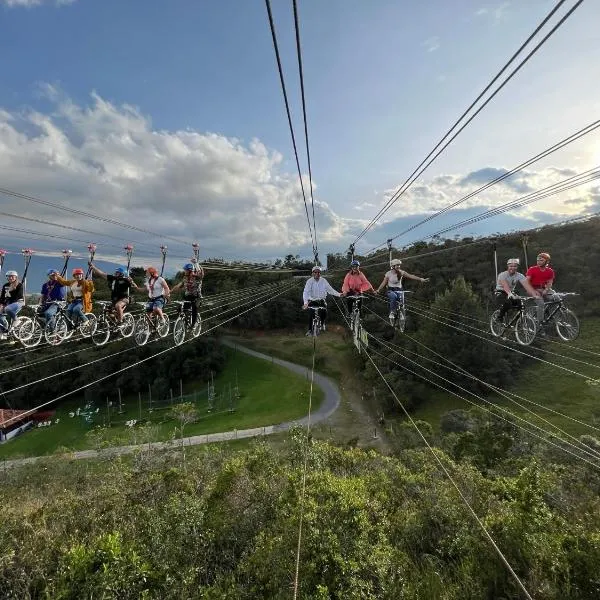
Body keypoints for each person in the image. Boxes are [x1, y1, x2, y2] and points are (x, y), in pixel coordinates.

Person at [494, 258, 540, 324]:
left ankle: (516, 322)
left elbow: (527, 286)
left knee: (521, 305)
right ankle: (499, 317)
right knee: (507, 303)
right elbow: (505, 286)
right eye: (511, 266)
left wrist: (534, 294)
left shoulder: (519, 275)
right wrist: (509, 293)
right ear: (508, 266)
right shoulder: (502, 275)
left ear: (517, 267)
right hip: (500, 292)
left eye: (515, 266)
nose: (513, 268)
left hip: (511, 293)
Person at [302, 265, 342, 336]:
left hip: (321, 300)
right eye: (315, 272)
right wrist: (305, 303)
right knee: (311, 313)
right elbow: (306, 292)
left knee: (324, 311)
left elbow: (330, 290)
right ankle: (310, 330)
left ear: (320, 273)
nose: (317, 274)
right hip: (312, 300)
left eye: (318, 272)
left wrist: (339, 294)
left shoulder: (324, 281)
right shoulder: (309, 281)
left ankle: (322, 323)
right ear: (312, 273)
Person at [526, 252, 557, 323]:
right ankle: (540, 322)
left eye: (541, 260)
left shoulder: (550, 271)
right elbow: (526, 282)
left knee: (556, 299)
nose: (539, 262)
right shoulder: (532, 269)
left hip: (544, 288)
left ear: (546, 261)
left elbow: (550, 282)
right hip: (533, 289)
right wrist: (533, 291)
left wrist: (546, 290)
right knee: (541, 303)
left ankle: (550, 315)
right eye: (538, 260)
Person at [0, 271, 24, 340]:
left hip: (18, 302)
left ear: (16, 277)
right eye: (9, 276)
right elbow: (2, 297)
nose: (10, 278)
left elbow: (18, 296)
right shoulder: (5, 285)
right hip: (8, 303)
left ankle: (16, 320)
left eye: (12, 276)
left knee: (7, 309)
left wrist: (11, 290)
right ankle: (4, 330)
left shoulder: (19, 285)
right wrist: (1, 304)